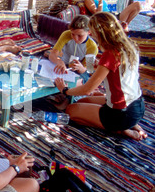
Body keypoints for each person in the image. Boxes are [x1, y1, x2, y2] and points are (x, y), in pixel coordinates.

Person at [54, 12, 147, 141]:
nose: (91, 35)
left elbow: (87, 89)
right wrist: (97, 66)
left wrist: (65, 90)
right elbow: (116, 72)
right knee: (82, 101)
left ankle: (122, 129)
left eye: (92, 32)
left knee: (71, 110)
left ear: (100, 33)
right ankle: (131, 124)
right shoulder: (129, 46)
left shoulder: (110, 54)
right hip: (137, 105)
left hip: (121, 113)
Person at [46, 15, 98, 83]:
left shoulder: (92, 47)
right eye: (73, 34)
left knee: (84, 81)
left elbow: (88, 70)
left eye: (80, 35)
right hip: (63, 64)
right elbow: (53, 54)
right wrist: (59, 61)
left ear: (89, 32)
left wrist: (80, 68)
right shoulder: (66, 34)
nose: (76, 38)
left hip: (77, 70)